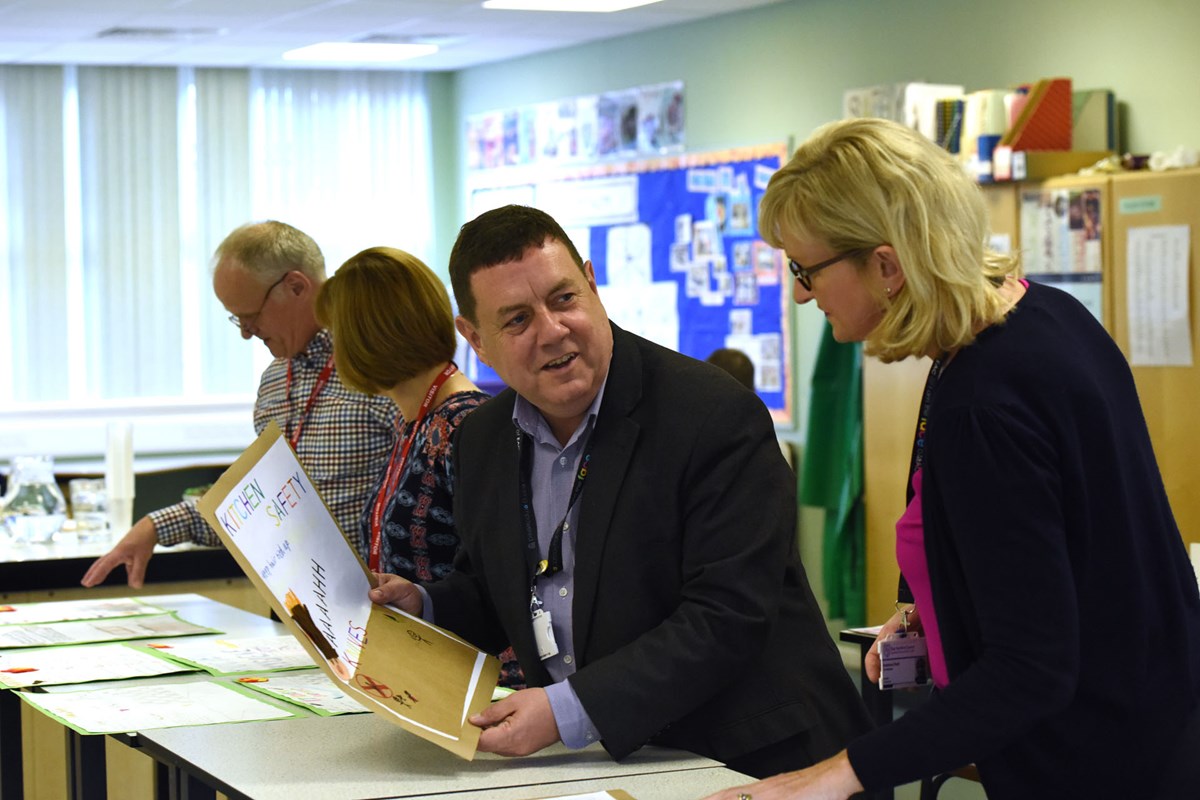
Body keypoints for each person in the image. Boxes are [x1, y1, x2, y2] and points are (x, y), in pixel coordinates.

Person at [705, 118, 1200, 800]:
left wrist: (836, 775)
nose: (799, 293)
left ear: (885, 265)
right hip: (1160, 726)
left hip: (1097, 763)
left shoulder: (982, 404)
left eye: (805, 269)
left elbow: (1031, 668)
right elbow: (1060, 555)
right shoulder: (1043, 318)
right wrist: (929, 614)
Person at [370, 204, 872, 777]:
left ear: (591, 281)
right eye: (516, 320)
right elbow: (499, 589)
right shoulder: (482, 438)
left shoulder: (712, 416)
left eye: (564, 299)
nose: (553, 330)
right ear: (475, 339)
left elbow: (726, 618)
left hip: (750, 757)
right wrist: (427, 602)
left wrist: (564, 712)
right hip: (597, 763)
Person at [82, 221, 399, 589]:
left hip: (377, 613)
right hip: (301, 612)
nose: (246, 332)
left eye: (251, 314)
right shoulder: (275, 383)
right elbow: (260, 509)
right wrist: (157, 526)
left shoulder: (380, 369)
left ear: (296, 287)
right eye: (236, 318)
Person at [313, 246, 522, 688]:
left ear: (369, 338)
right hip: (423, 675)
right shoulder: (416, 422)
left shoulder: (464, 425)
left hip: (475, 687)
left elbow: (505, 587)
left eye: (337, 335)